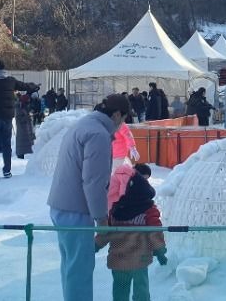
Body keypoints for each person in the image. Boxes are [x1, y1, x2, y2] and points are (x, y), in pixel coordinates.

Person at [48, 94, 129, 301]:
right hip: (76, 210)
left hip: (62, 205)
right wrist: (101, 219)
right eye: (124, 119)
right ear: (117, 114)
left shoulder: (83, 124)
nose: (122, 125)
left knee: (71, 266)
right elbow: (94, 182)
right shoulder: (98, 135)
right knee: (80, 270)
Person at [96, 169, 167, 301]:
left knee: (120, 289)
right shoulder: (148, 210)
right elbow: (154, 231)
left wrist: (95, 245)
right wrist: (160, 250)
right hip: (139, 260)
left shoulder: (115, 212)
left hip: (119, 259)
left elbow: (105, 233)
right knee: (141, 289)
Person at [0, 60, 38, 179]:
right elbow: (25, 86)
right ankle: (7, 171)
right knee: (6, 145)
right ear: (3, 69)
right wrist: (34, 86)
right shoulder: (11, 81)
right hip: (7, 118)